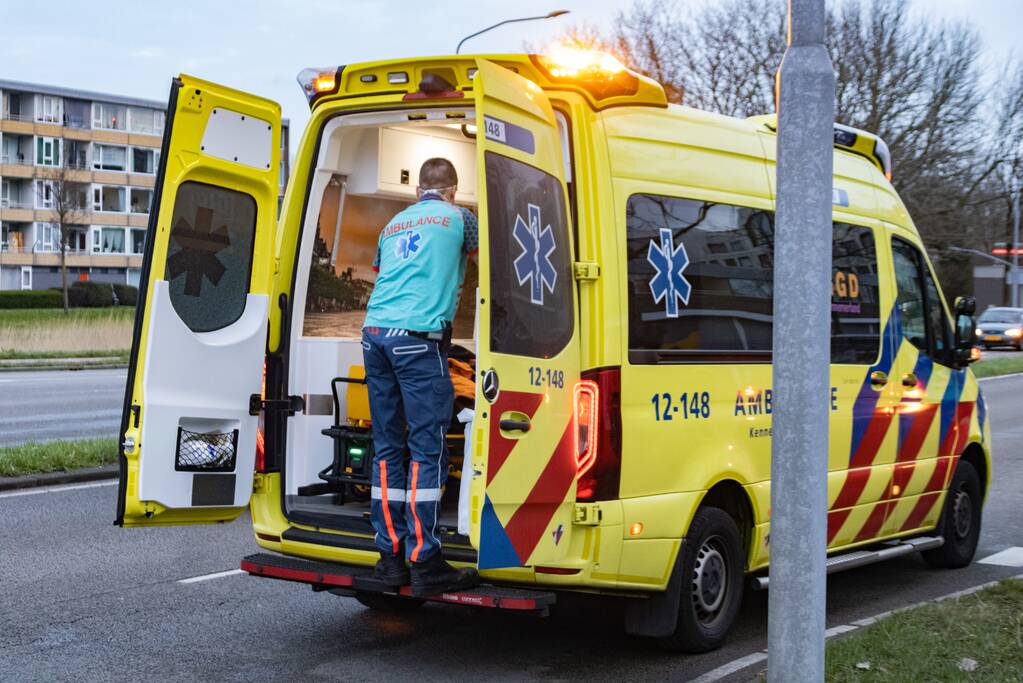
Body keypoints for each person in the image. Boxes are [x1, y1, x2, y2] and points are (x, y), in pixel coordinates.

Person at [361, 157, 480, 597]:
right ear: (453, 190)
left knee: (388, 447)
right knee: (426, 448)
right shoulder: (460, 218)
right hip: (416, 338)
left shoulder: (393, 224)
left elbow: (387, 275)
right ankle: (424, 558)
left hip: (374, 334)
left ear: (418, 192)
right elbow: (495, 263)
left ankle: (390, 555)